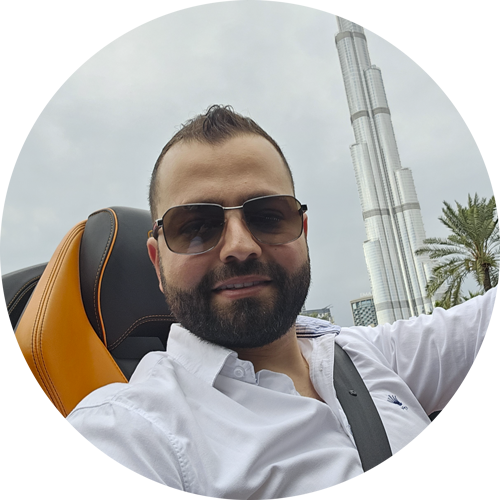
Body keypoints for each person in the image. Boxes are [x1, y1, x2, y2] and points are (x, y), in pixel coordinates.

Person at [41, 105, 500, 499]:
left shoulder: (368, 353)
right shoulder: (124, 434)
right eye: (196, 226)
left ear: (302, 233)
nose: (240, 246)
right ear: (157, 261)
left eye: (267, 216)